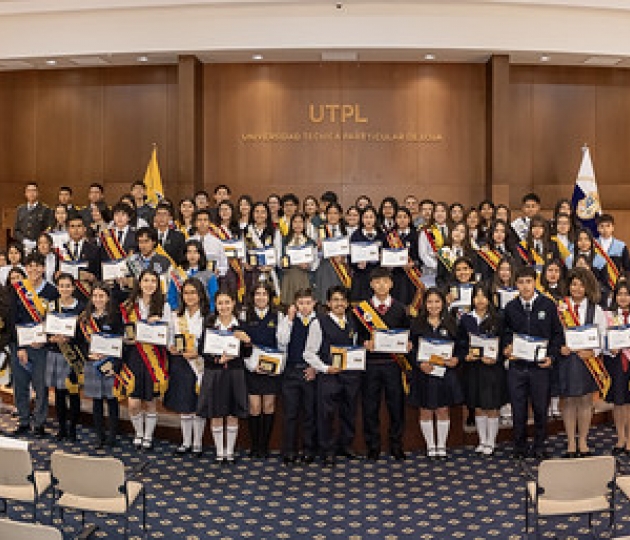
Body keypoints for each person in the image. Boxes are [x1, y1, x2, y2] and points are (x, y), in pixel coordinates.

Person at [502, 265, 563, 459]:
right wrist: (506, 347)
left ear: (535, 282)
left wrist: (551, 357)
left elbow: (557, 335)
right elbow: (504, 334)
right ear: (516, 284)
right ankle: (519, 446)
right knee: (518, 409)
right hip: (518, 366)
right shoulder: (510, 307)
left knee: (540, 408)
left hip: (540, 368)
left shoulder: (547, 304)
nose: (525, 286)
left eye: (528, 281)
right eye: (521, 282)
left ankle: (539, 445)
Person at [354, 267, 410, 460]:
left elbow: (407, 334)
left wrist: (407, 344)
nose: (381, 285)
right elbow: (356, 336)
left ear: (391, 284)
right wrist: (363, 343)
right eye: (377, 282)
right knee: (370, 407)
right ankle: (373, 446)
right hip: (370, 364)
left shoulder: (400, 308)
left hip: (393, 365)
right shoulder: (362, 310)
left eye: (385, 281)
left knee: (396, 406)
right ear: (371, 284)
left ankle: (396, 445)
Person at [198, 288, 252, 464]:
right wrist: (217, 359)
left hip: (235, 373)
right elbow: (202, 351)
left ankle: (230, 452)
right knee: (216, 413)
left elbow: (248, 353)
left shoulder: (241, 325)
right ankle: (219, 453)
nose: (224, 306)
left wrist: (247, 342)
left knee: (232, 413)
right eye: (220, 303)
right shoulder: (209, 324)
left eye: (227, 302)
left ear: (233, 304)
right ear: (216, 305)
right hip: (215, 373)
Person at [557, 267, 607, 457]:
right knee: (569, 401)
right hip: (567, 359)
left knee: (586, 400)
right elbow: (555, 333)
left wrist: (592, 351)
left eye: (581, 284)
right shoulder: (560, 307)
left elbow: (602, 336)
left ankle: (583, 441)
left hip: (588, 361)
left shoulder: (596, 309)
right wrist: (560, 347)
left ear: (588, 287)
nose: (577, 288)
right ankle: (571, 442)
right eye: (574, 284)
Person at [10, 252, 59, 436]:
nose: (33, 269)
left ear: (43, 268)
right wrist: (20, 346)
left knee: (41, 386)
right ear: (25, 268)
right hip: (20, 345)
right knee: (20, 385)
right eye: (29, 266)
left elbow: (54, 319)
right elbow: (12, 318)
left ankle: (39, 423)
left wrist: (44, 338)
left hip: (41, 345)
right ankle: (23, 421)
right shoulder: (18, 289)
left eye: (37, 265)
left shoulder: (52, 291)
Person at [121, 269, 171, 450]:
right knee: (133, 402)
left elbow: (168, 334)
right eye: (146, 280)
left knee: (150, 401)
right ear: (139, 283)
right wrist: (129, 339)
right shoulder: (128, 305)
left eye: (153, 281)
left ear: (157, 285)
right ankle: (138, 432)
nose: (149, 284)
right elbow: (124, 333)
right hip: (134, 355)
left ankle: (148, 436)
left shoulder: (163, 306)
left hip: (154, 356)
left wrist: (158, 325)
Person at [456, 283, 505, 455]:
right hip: (474, 368)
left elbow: (504, 343)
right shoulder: (466, 319)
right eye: (476, 296)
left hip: (492, 369)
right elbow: (460, 343)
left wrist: (496, 358)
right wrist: (465, 356)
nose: (480, 300)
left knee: (491, 405)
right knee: (477, 405)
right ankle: (482, 440)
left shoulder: (498, 318)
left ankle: (491, 441)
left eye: (484, 296)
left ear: (490, 298)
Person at [164, 279, 210, 457]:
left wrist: (197, 352)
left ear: (200, 295)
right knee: (184, 404)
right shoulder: (176, 316)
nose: (190, 296)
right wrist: (171, 347)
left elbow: (210, 342)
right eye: (186, 293)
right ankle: (186, 441)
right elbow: (169, 338)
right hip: (180, 363)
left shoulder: (208, 317)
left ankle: (197, 443)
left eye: (193, 292)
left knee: (197, 405)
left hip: (199, 364)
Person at [79, 282, 124, 448]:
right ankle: (99, 435)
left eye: (101, 296)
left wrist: (110, 356)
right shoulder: (85, 318)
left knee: (112, 400)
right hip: (92, 362)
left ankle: (112, 435)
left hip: (109, 363)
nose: (98, 299)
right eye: (95, 296)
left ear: (108, 298)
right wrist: (88, 354)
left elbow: (120, 340)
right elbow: (80, 342)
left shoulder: (115, 316)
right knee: (96, 401)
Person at [277, 288, 319, 465]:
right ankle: (289, 450)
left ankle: (309, 450)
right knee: (290, 413)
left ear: (314, 303)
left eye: (308, 303)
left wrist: (315, 368)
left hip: (309, 371)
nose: (304, 307)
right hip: (291, 371)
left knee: (309, 413)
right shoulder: (288, 321)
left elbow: (323, 348)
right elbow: (282, 341)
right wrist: (289, 319)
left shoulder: (318, 321)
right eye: (300, 303)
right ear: (295, 305)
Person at [242, 283, 282, 458]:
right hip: (251, 367)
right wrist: (252, 365)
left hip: (271, 369)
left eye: (264, 294)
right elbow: (241, 347)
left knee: (268, 406)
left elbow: (282, 344)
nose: (260, 297)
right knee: (254, 407)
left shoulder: (278, 316)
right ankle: (255, 445)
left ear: (270, 296)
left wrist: (276, 366)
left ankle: (264, 446)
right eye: (257, 293)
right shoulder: (244, 315)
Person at [45, 273, 85, 440]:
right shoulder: (52, 306)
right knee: (59, 394)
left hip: (73, 355)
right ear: (58, 287)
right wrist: (51, 338)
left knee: (73, 393)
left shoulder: (81, 308)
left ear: (73, 287)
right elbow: (45, 328)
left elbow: (84, 334)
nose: (65, 289)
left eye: (68, 286)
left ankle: (73, 428)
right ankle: (62, 428)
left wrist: (71, 338)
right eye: (62, 286)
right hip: (56, 353)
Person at [604, 280, 630, 455]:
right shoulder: (609, 316)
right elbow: (602, 339)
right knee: (619, 402)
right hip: (617, 362)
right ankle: (621, 438)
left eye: (626, 294)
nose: (623, 297)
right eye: (619, 294)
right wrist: (609, 347)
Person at [314, 202, 350, 304]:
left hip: (341, 268)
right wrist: (318, 248)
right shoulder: (319, 230)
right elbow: (313, 254)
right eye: (330, 213)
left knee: (340, 299)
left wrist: (344, 258)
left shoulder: (346, 230)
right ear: (326, 215)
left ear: (340, 215)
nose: (332, 216)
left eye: (335, 213)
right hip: (325, 267)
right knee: (326, 299)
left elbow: (352, 252)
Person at [280, 213, 318, 307]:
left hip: (304, 276)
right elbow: (279, 260)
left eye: (300, 222)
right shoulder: (284, 241)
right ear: (291, 224)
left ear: (304, 224)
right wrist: (283, 263)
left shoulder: (310, 242)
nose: (298, 225)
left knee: (304, 305)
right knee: (289, 306)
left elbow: (315, 262)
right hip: (289, 276)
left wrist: (309, 266)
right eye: (295, 222)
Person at [349, 206, 386, 302]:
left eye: (371, 217)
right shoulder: (355, 235)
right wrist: (357, 264)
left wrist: (383, 257)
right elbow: (350, 258)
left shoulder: (382, 235)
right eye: (365, 217)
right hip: (361, 278)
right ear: (361, 219)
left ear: (376, 219)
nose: (368, 220)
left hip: (378, 277)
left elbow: (388, 254)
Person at [14, 182, 53, 252]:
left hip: (39, 247)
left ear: (38, 193)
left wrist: (37, 241)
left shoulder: (45, 209)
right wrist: (24, 240)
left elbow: (48, 229)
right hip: (22, 247)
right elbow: (16, 230)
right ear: (25, 193)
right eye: (29, 191)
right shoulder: (20, 209)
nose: (31, 193)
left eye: (34, 191)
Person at [419, 201, 449, 288]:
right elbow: (423, 254)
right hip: (432, 270)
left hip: (451, 270)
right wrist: (438, 267)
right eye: (437, 211)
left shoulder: (452, 229)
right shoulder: (426, 231)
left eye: (443, 211)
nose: (440, 214)